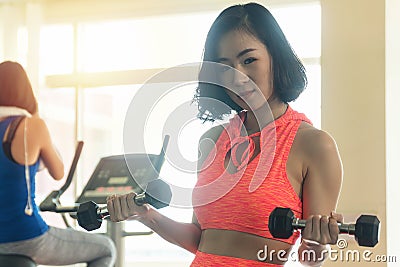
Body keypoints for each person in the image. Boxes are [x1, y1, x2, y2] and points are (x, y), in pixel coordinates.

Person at [106, 2, 343, 266]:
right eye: (224, 67)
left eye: (249, 60)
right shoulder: (212, 141)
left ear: (276, 59)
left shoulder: (314, 145)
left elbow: (311, 258)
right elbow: (201, 240)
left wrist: (317, 242)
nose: (237, 76)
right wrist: (146, 215)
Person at [0, 60, 116, 267]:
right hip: (27, 237)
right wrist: (35, 117)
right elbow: (58, 171)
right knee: (106, 247)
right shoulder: (30, 125)